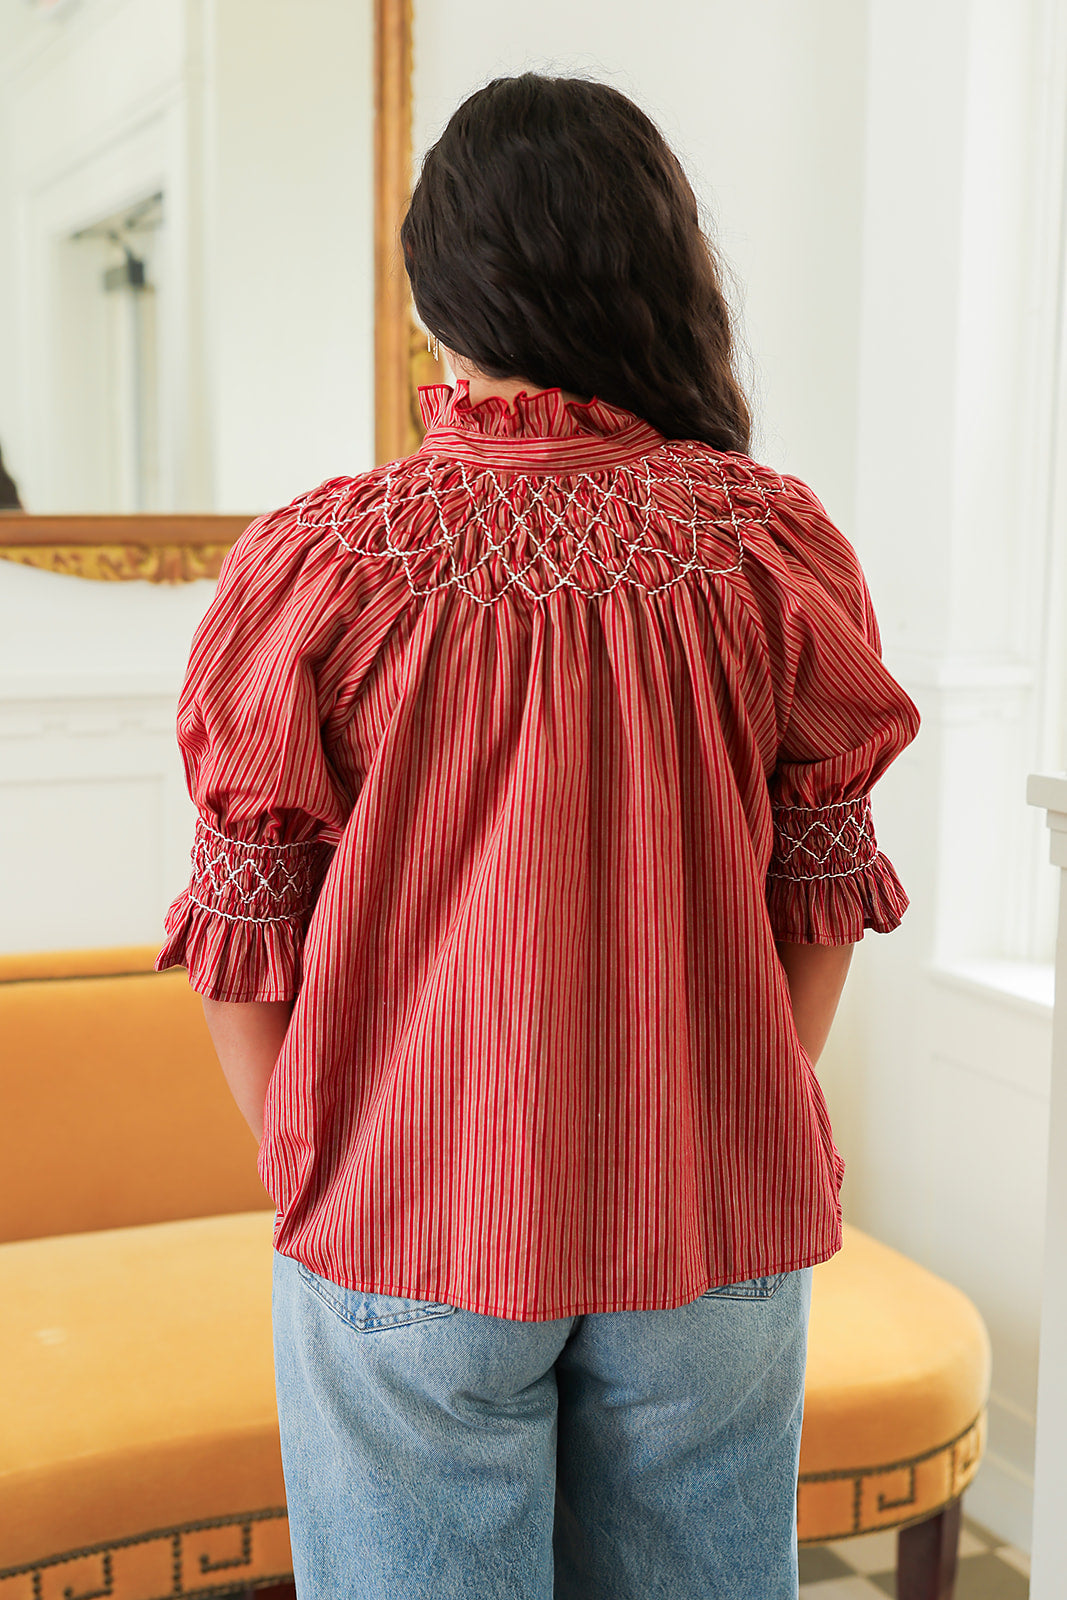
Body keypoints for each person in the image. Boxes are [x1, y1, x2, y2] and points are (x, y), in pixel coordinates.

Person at [158, 73, 920, 1600]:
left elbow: (246, 926)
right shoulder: (767, 543)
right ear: (659, 270)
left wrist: (313, 1162)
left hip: (407, 1223)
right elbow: (822, 890)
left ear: (439, 297)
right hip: (711, 1223)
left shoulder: (322, 562)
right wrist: (729, 1116)